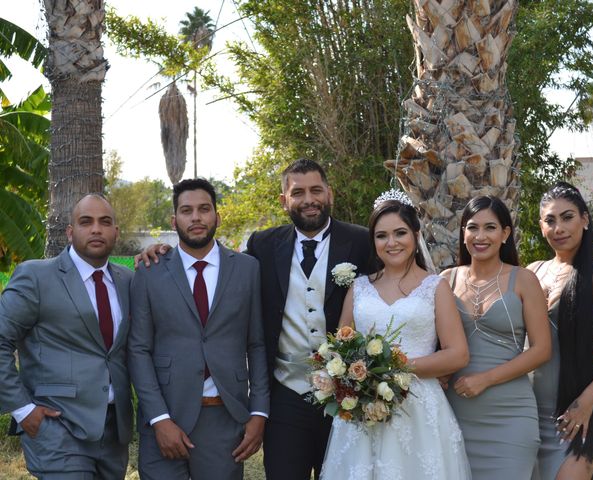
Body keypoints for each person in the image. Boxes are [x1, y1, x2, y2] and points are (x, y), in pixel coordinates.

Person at [138, 159, 371, 480]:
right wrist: (161, 250)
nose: (308, 199)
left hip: (347, 393)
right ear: (284, 200)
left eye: (316, 190)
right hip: (287, 394)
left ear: (329, 193)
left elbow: (394, 292)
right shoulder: (263, 245)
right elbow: (208, 265)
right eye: (298, 192)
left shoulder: (361, 241)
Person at [320, 190, 471, 479]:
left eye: (400, 233)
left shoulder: (435, 287)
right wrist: (360, 376)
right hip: (364, 409)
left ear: (416, 235)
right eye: (381, 236)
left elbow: (458, 353)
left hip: (418, 408)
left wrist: (392, 369)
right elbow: (339, 348)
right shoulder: (359, 288)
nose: (391, 243)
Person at [128, 178, 269, 480]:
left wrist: (259, 412)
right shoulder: (149, 271)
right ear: (174, 219)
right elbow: (138, 349)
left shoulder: (247, 269)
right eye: (186, 210)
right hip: (165, 415)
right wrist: (159, 419)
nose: (196, 218)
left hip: (224, 414)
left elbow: (256, 344)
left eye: (204, 209)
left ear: (217, 216)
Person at [0, 194, 133, 479]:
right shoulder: (36, 277)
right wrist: (23, 410)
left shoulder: (128, 281)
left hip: (114, 433)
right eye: (86, 222)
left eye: (105, 222)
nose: (96, 229)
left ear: (115, 232)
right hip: (58, 429)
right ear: (70, 232)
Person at [440, 195, 551, 480]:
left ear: (505, 234)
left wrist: (485, 379)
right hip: (454, 414)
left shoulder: (524, 279)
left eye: (490, 228)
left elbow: (541, 350)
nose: (480, 236)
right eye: (472, 227)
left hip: (510, 415)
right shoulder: (446, 280)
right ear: (463, 232)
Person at [528, 182, 593, 480]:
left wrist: (585, 403)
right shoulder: (533, 272)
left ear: (585, 220)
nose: (558, 227)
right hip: (527, 411)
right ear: (541, 226)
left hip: (578, 411)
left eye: (567, 217)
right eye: (550, 220)